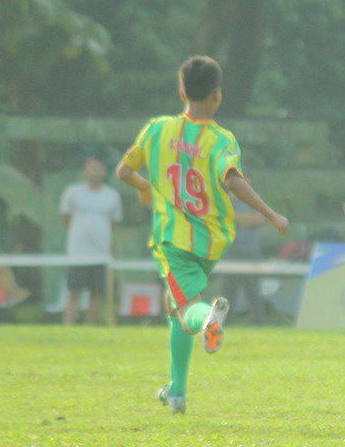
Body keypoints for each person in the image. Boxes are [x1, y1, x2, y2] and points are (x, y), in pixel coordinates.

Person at [116, 55, 289, 415]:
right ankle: (176, 392)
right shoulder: (221, 140)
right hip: (210, 241)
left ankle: (207, 319)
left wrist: (145, 187)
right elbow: (233, 182)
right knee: (173, 303)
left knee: (186, 311)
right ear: (217, 96)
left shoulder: (157, 130)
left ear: (182, 92)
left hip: (173, 240)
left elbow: (123, 171)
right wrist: (270, 214)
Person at [59, 155, 123, 325]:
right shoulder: (72, 192)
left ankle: (91, 328)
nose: (96, 172)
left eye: (99, 168)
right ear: (85, 171)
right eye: (92, 168)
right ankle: (68, 327)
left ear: (104, 172)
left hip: (101, 254)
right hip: (77, 254)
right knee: (74, 292)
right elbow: (66, 218)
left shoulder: (112, 195)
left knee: (96, 293)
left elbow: (114, 222)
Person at [221, 180, 268, 326]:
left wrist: (236, 218)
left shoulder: (255, 199)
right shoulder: (223, 199)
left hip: (252, 253)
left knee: (253, 291)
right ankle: (226, 323)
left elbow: (259, 218)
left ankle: (259, 323)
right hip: (230, 253)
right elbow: (221, 218)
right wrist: (247, 218)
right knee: (228, 292)